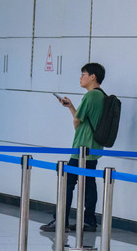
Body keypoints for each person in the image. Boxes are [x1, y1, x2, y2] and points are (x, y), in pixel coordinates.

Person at [40, 63, 106, 232]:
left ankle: (60, 220)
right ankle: (90, 220)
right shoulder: (102, 96)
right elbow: (83, 118)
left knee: (68, 182)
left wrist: (73, 115)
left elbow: (78, 121)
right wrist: (70, 106)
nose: (80, 77)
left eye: (83, 74)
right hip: (94, 147)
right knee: (89, 183)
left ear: (93, 77)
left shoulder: (90, 96)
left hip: (82, 148)